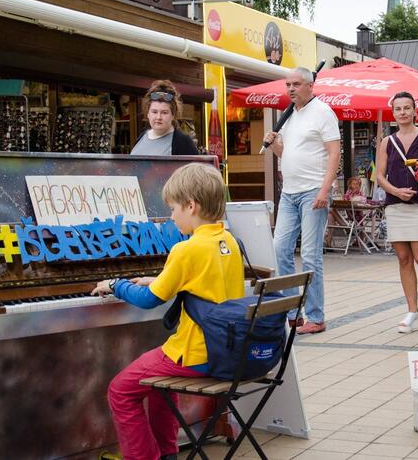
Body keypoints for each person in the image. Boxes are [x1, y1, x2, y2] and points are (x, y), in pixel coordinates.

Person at [90, 163, 243, 460]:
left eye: (173, 209)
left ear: (191, 206)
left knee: (120, 391)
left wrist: (114, 284)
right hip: (227, 351)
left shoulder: (185, 249)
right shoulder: (228, 241)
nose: (171, 217)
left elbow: (149, 299)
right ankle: (166, 453)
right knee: (159, 386)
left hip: (196, 353)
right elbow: (199, 281)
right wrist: (160, 280)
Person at [263, 67, 340, 334]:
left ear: (310, 85)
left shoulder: (323, 112)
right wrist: (273, 145)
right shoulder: (289, 117)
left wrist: (324, 190)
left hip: (312, 191)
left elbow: (334, 154)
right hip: (289, 191)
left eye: (296, 84)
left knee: (309, 254)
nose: (291, 89)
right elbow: (286, 154)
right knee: (280, 248)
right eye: (288, 85)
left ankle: (316, 316)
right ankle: (293, 310)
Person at [376, 91, 418, 332]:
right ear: (393, 113)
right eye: (398, 109)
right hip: (395, 206)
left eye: (407, 108)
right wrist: (395, 190)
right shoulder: (387, 141)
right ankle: (412, 309)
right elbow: (379, 177)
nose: (403, 113)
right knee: (403, 258)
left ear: (415, 110)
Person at [130, 80, 199, 156]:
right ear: (148, 114)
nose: (158, 117)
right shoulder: (142, 136)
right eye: (154, 112)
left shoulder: (182, 142)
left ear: (173, 115)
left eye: (164, 112)